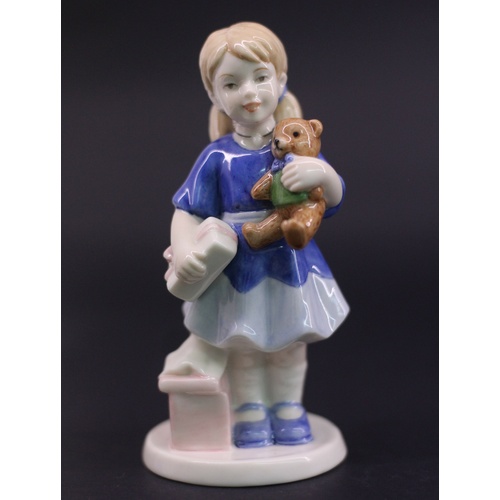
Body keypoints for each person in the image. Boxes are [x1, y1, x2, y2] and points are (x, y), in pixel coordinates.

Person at [162, 22, 349, 448]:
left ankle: (287, 405)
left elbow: (332, 199)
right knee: (242, 344)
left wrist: (322, 174)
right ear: (214, 95)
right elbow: (186, 210)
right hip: (237, 263)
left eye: (260, 77)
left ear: (280, 81)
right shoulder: (217, 157)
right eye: (231, 83)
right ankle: (249, 409)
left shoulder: (298, 146)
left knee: (289, 343)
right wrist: (186, 246)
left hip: (290, 260)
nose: (249, 92)